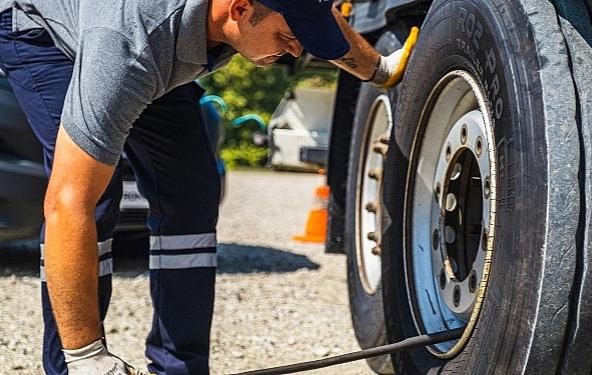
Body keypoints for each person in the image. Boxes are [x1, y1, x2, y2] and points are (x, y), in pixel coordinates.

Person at [0, 0, 417, 373]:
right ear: (238, 10)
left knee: (191, 190)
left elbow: (313, 16)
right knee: (93, 201)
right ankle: (75, 364)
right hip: (43, 34)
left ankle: (178, 367)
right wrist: (86, 356)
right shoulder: (127, 48)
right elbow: (66, 204)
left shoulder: (248, 15)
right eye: (287, 37)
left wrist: (378, 68)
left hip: (154, 38)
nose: (295, 50)